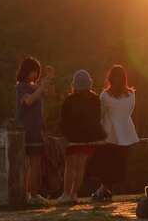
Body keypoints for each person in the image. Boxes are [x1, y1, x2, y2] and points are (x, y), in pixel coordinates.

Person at [90, 64, 139, 201]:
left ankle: (102, 191)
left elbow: (100, 114)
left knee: (106, 165)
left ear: (110, 78)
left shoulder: (105, 95)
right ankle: (104, 191)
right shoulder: (131, 94)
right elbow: (130, 111)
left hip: (109, 133)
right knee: (117, 165)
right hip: (126, 132)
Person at [58, 70, 106, 204]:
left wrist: (64, 135)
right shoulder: (95, 99)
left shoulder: (70, 99)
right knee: (80, 167)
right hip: (88, 137)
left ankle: (66, 194)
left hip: (72, 137)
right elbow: (97, 118)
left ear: (75, 84)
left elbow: (64, 120)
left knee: (70, 166)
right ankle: (74, 194)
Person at [15, 57, 52, 204]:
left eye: (37, 72)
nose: (35, 75)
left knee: (35, 163)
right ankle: (27, 194)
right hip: (25, 130)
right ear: (26, 71)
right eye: (33, 71)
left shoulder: (33, 86)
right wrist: (42, 87)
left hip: (36, 129)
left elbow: (47, 92)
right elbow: (28, 101)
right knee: (26, 164)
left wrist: (47, 80)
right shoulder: (21, 87)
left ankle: (33, 194)